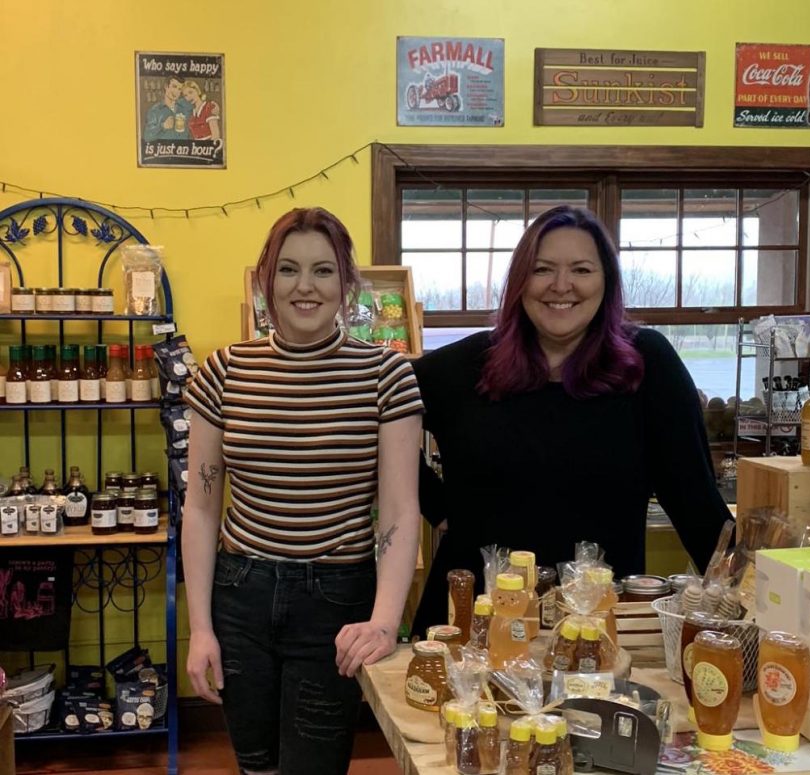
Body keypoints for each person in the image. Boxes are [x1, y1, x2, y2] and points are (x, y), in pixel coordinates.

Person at [412, 205, 732, 634]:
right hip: (471, 622)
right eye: (542, 269)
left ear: (607, 282)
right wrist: (436, 505)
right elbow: (366, 415)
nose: (561, 286)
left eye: (581, 269)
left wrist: (739, 597)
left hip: (595, 628)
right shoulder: (463, 368)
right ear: (520, 281)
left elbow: (696, 504)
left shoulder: (647, 365)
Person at [182, 207, 423, 775]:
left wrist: (385, 621)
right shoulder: (223, 371)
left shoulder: (386, 377)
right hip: (241, 592)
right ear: (266, 281)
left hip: (336, 599)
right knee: (255, 765)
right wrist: (200, 628)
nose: (305, 286)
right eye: (288, 270)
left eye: (323, 270)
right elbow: (200, 506)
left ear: (346, 283)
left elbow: (398, 511)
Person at [143, 75, 191, 141]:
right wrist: (163, 126)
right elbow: (147, 137)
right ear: (166, 86)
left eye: (179, 89)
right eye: (174, 86)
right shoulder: (155, 110)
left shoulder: (183, 109)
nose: (176, 92)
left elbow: (188, 136)